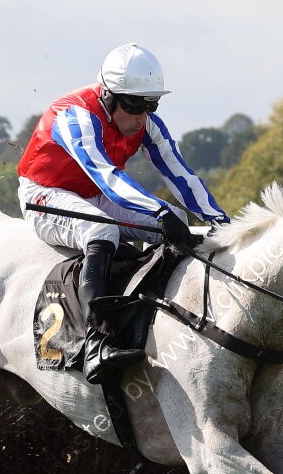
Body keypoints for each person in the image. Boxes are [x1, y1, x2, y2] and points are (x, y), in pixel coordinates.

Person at [17, 42, 229, 384]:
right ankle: (94, 340)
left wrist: (222, 222)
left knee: (176, 218)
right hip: (45, 195)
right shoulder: (74, 116)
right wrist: (159, 212)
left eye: (151, 105)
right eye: (134, 106)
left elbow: (180, 175)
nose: (142, 117)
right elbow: (106, 175)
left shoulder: (147, 123)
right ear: (106, 95)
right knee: (104, 232)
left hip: (93, 195)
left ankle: (158, 319)